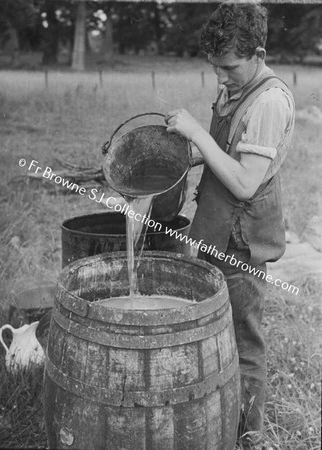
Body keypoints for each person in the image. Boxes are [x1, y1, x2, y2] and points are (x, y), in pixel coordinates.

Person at [165, 3, 295, 449]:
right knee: (216, 334)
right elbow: (230, 153)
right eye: (214, 67)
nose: (220, 77)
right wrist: (191, 153)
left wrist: (197, 133)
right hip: (216, 230)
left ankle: (250, 436)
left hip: (241, 242)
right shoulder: (238, 90)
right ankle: (218, 421)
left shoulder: (270, 103)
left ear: (257, 53)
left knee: (243, 341)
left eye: (229, 67)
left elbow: (243, 182)